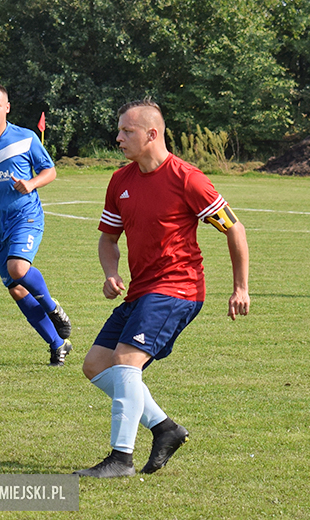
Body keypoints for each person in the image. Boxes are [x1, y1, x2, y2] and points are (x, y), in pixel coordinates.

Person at [73, 98, 250, 478]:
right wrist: (110, 272)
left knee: (126, 361)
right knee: (95, 365)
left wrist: (240, 287)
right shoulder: (120, 180)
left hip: (178, 288)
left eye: (127, 131)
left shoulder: (187, 178)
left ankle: (121, 459)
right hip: (141, 290)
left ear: (152, 134)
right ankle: (165, 429)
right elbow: (108, 239)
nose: (118, 137)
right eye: (119, 130)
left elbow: (234, 227)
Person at [0, 83, 72, 365]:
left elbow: (50, 170)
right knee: (16, 288)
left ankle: (53, 308)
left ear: (7, 107)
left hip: (25, 216)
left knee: (18, 268)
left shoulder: (26, 138)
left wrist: (30, 183)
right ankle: (57, 344)